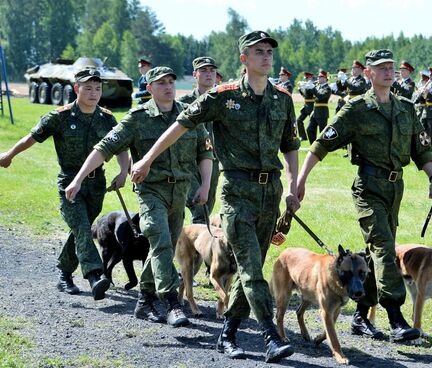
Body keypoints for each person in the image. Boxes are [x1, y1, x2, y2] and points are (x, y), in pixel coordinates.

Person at [127, 31, 300, 364]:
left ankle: (227, 334)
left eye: (269, 52)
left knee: (251, 268)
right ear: (243, 59)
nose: (266, 57)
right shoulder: (223, 96)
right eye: (258, 51)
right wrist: (147, 159)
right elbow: (180, 124)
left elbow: (290, 146)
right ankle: (270, 336)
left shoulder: (282, 99)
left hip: (271, 194)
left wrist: (293, 184)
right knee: (250, 269)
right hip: (237, 194)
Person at [296, 49, 432, 344]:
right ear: (369, 73)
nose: (388, 72)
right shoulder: (357, 109)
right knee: (386, 247)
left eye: (391, 67)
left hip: (394, 188)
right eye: (381, 68)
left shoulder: (405, 108)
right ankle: (396, 318)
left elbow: (421, 148)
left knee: (376, 254)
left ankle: (362, 316)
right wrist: (300, 180)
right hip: (368, 187)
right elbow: (322, 143)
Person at [65, 66, 214, 327]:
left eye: (171, 81)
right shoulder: (137, 118)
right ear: (149, 88)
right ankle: (170, 302)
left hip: (179, 193)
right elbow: (104, 148)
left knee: (161, 248)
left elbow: (205, 152)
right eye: (161, 83)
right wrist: (78, 179)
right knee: (161, 240)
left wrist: (204, 185)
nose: (168, 87)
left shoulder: (189, 115)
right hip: (151, 192)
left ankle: (144, 300)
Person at [0, 69, 129, 300]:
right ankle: (95, 275)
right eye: (87, 88)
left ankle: (64, 272)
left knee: (81, 228)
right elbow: (32, 137)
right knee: (81, 227)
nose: (93, 93)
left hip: (96, 184)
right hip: (69, 182)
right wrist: (10, 154)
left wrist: (123, 170)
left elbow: (120, 145)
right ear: (77, 89)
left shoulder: (107, 118)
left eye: (97, 88)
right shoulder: (60, 116)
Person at [178, 56, 221, 225]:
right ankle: (195, 248)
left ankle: (191, 246)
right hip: (188, 163)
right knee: (199, 208)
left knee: (207, 207)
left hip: (213, 162)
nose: (208, 74)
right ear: (194, 74)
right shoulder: (183, 103)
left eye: (212, 70)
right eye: (203, 70)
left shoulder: (224, 101)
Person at [414, 67, 432, 155]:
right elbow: (422, 100)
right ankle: (425, 149)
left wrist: (428, 93)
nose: (430, 76)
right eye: (429, 74)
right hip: (425, 111)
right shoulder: (428, 85)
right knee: (423, 132)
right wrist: (420, 94)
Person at [306, 69, 332, 144]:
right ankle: (313, 145)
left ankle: (323, 146)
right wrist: (306, 87)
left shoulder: (327, 88)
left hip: (322, 112)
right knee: (309, 129)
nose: (318, 78)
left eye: (320, 77)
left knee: (322, 131)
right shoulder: (318, 86)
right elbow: (308, 96)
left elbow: (320, 96)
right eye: (318, 76)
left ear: (325, 78)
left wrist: (313, 88)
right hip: (315, 111)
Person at [296, 71, 315, 141]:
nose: (305, 79)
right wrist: (300, 90)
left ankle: (313, 137)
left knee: (311, 124)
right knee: (299, 120)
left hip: (311, 105)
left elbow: (309, 95)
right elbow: (305, 96)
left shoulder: (313, 85)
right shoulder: (306, 84)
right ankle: (303, 136)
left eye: (307, 78)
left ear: (310, 77)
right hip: (306, 105)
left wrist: (303, 87)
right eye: (305, 78)